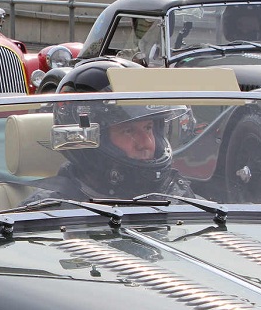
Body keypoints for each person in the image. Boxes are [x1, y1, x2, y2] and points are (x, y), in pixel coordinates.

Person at [27, 58, 194, 202]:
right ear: (86, 138)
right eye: (128, 131)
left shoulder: (177, 195)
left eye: (148, 128)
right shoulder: (47, 210)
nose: (146, 143)